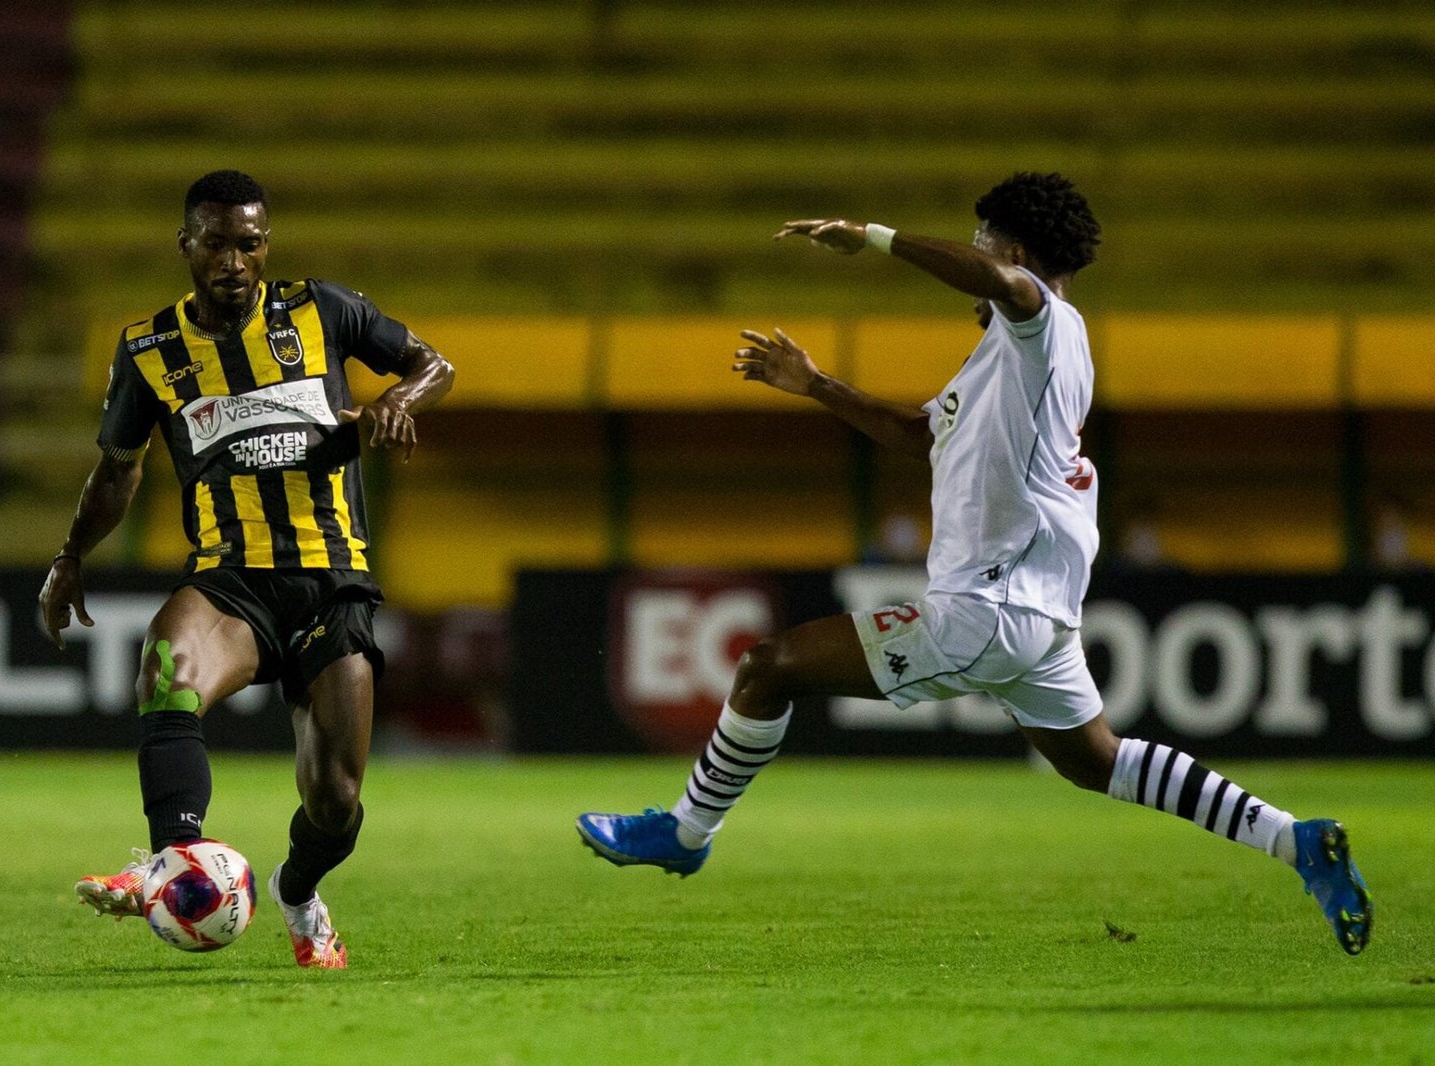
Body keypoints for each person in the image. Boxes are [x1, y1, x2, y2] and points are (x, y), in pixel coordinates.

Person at [575, 172, 1373, 956]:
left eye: (982, 238)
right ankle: (1295, 842)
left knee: (766, 668)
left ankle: (685, 832)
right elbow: (917, 434)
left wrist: (874, 237)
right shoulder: (1003, 355)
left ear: (1014, 251)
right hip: (1034, 616)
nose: (974, 253)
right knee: (1099, 762)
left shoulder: (1046, 324)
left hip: (983, 609)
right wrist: (816, 385)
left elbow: (1005, 282)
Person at [39, 170, 454, 968]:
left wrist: (406, 399)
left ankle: (297, 892)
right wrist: (70, 556)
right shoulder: (150, 351)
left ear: (267, 245)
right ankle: (170, 864)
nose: (235, 261)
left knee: (334, 802)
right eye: (218, 243)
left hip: (332, 579)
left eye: (251, 244)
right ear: (187, 244)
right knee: (167, 668)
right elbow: (118, 471)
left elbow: (434, 364)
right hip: (231, 580)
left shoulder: (322, 310)